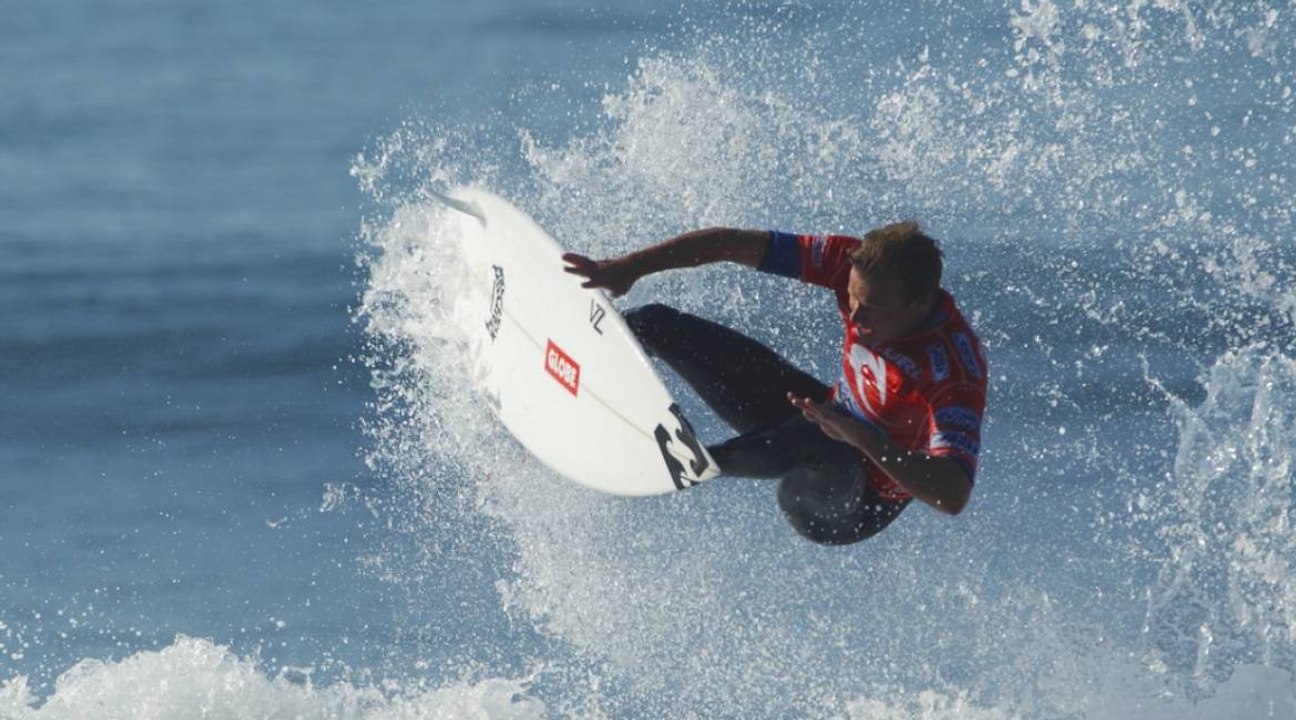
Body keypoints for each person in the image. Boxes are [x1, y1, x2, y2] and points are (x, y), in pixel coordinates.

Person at [562, 222, 987, 545]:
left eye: (873, 310)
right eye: (853, 299)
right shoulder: (849, 262)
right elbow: (732, 244)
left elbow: (952, 494)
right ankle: (570, 374)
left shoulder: (953, 372)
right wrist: (628, 267)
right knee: (653, 324)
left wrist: (861, 438)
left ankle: (687, 461)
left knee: (827, 440)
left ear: (919, 304)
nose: (855, 319)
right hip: (822, 417)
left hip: (851, 504)